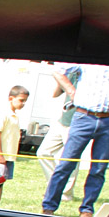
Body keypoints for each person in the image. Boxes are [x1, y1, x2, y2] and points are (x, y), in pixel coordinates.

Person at [41, 64, 109, 217]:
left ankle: (87, 210)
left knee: (98, 168)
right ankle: (48, 207)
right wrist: (72, 91)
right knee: (66, 163)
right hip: (83, 116)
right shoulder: (90, 59)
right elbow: (58, 71)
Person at [37, 68, 80, 203]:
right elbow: (55, 94)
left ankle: (66, 194)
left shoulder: (88, 78)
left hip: (76, 122)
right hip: (62, 120)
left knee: (70, 159)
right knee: (43, 152)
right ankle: (54, 186)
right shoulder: (71, 73)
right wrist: (63, 80)